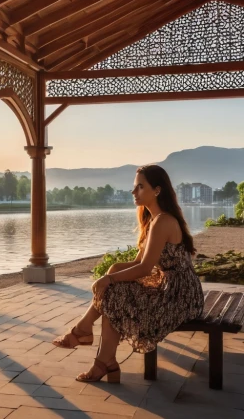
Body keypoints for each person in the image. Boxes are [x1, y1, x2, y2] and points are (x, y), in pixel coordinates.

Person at [52, 164, 204, 383]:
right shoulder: (153, 220)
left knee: (114, 292)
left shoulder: (163, 221)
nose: (134, 192)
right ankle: (100, 354)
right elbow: (139, 262)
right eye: (135, 187)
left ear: (157, 190)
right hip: (169, 287)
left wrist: (108, 279)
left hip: (181, 296)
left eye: (140, 187)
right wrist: (112, 271)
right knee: (114, 292)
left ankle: (92, 344)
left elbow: (144, 269)